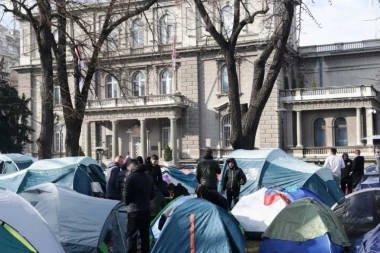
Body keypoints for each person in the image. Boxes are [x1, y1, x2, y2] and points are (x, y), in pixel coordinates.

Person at [123, 160, 155, 253]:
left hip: (133, 211)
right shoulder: (148, 177)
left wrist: (127, 203)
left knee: (132, 236)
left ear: (131, 167)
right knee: (145, 236)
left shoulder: (130, 178)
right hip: (146, 210)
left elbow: (126, 195)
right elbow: (152, 195)